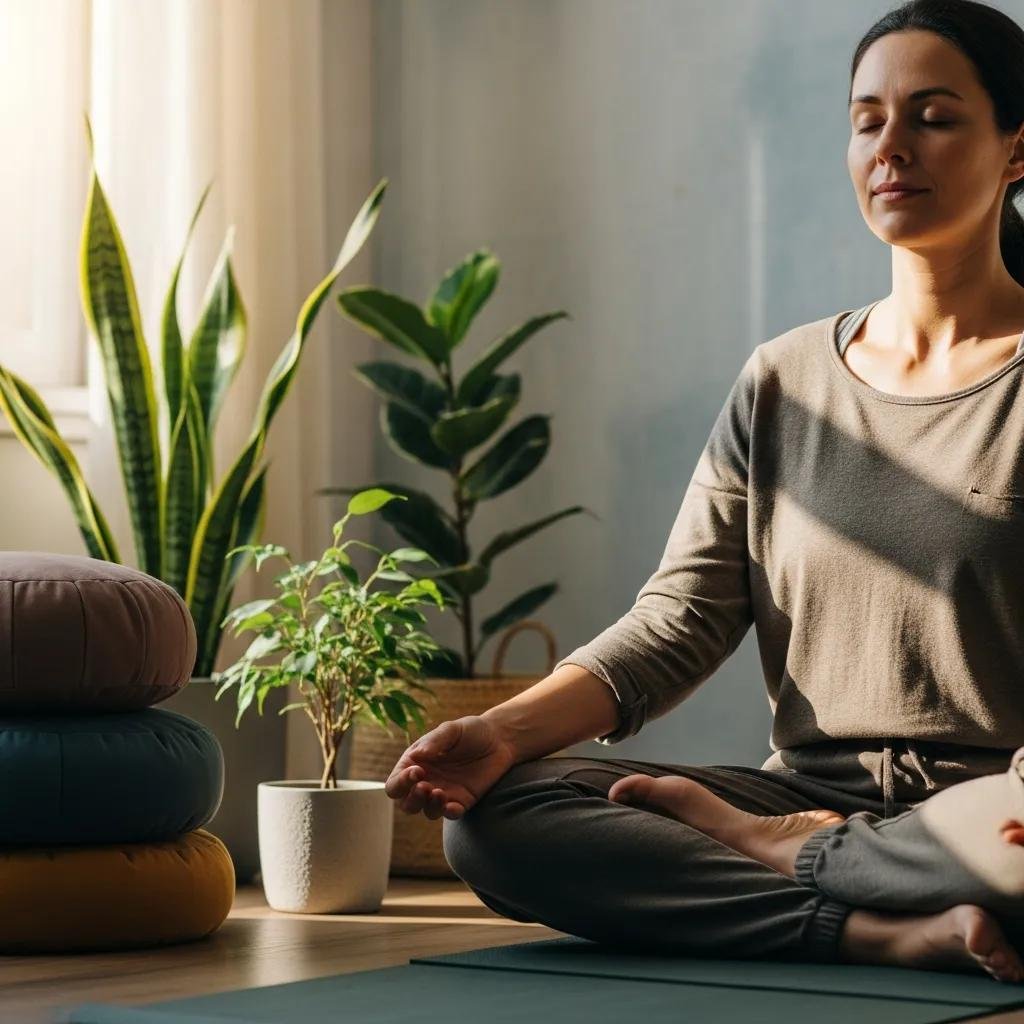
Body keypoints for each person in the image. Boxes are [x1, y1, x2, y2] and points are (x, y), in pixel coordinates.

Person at [385, 0, 1024, 985]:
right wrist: (499, 732)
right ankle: (885, 928)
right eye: (866, 122)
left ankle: (804, 866)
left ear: (1015, 149)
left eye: (932, 117)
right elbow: (678, 622)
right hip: (806, 791)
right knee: (502, 823)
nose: (891, 146)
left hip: (996, 808)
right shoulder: (782, 381)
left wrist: (806, 844)